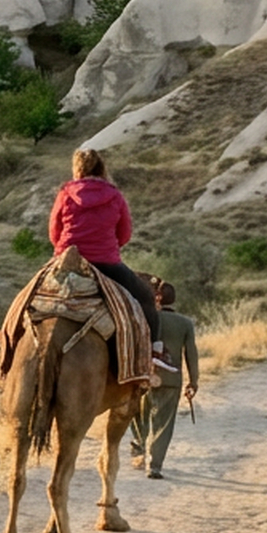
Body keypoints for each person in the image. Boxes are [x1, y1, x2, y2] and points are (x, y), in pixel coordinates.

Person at [47, 148, 172, 370]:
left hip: (68, 260)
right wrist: (106, 247)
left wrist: (63, 249)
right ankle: (154, 350)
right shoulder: (114, 195)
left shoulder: (66, 193)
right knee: (145, 297)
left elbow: (54, 232)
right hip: (106, 263)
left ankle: (7, 338)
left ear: (77, 169)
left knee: (28, 294)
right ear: (101, 168)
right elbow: (124, 234)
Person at [130, 281, 199, 479]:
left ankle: (138, 445)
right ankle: (154, 465)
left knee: (137, 413)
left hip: (143, 376)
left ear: (157, 298)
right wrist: (193, 381)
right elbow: (191, 355)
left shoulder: (145, 317)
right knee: (163, 423)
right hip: (171, 379)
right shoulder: (185, 323)